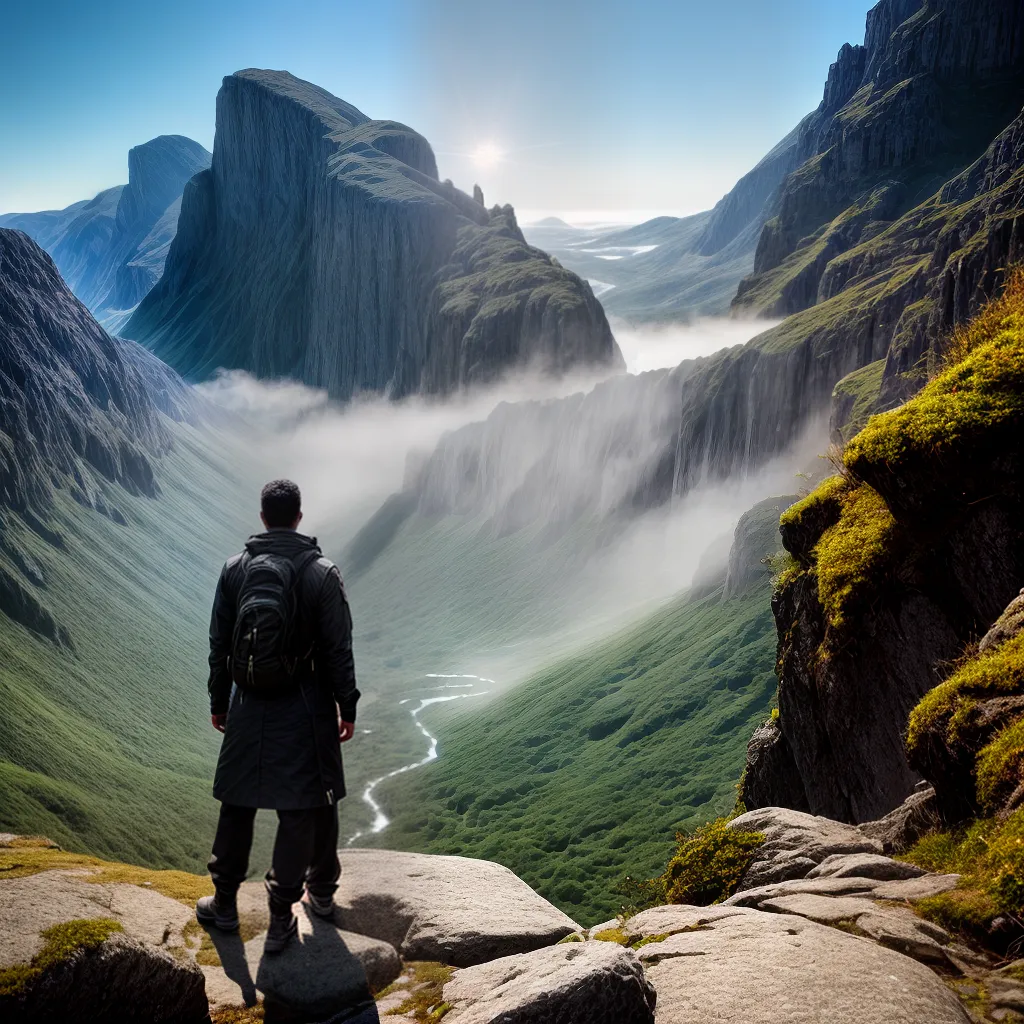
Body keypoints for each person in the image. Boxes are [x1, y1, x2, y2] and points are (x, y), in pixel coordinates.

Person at [195, 479, 360, 952]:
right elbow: (337, 651)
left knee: (238, 801)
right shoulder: (322, 575)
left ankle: (224, 903)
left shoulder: (234, 570)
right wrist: (346, 705)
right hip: (305, 702)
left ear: (264, 517)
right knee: (303, 807)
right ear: (299, 518)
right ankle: (284, 914)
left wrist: (219, 701)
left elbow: (219, 645)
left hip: (247, 701)